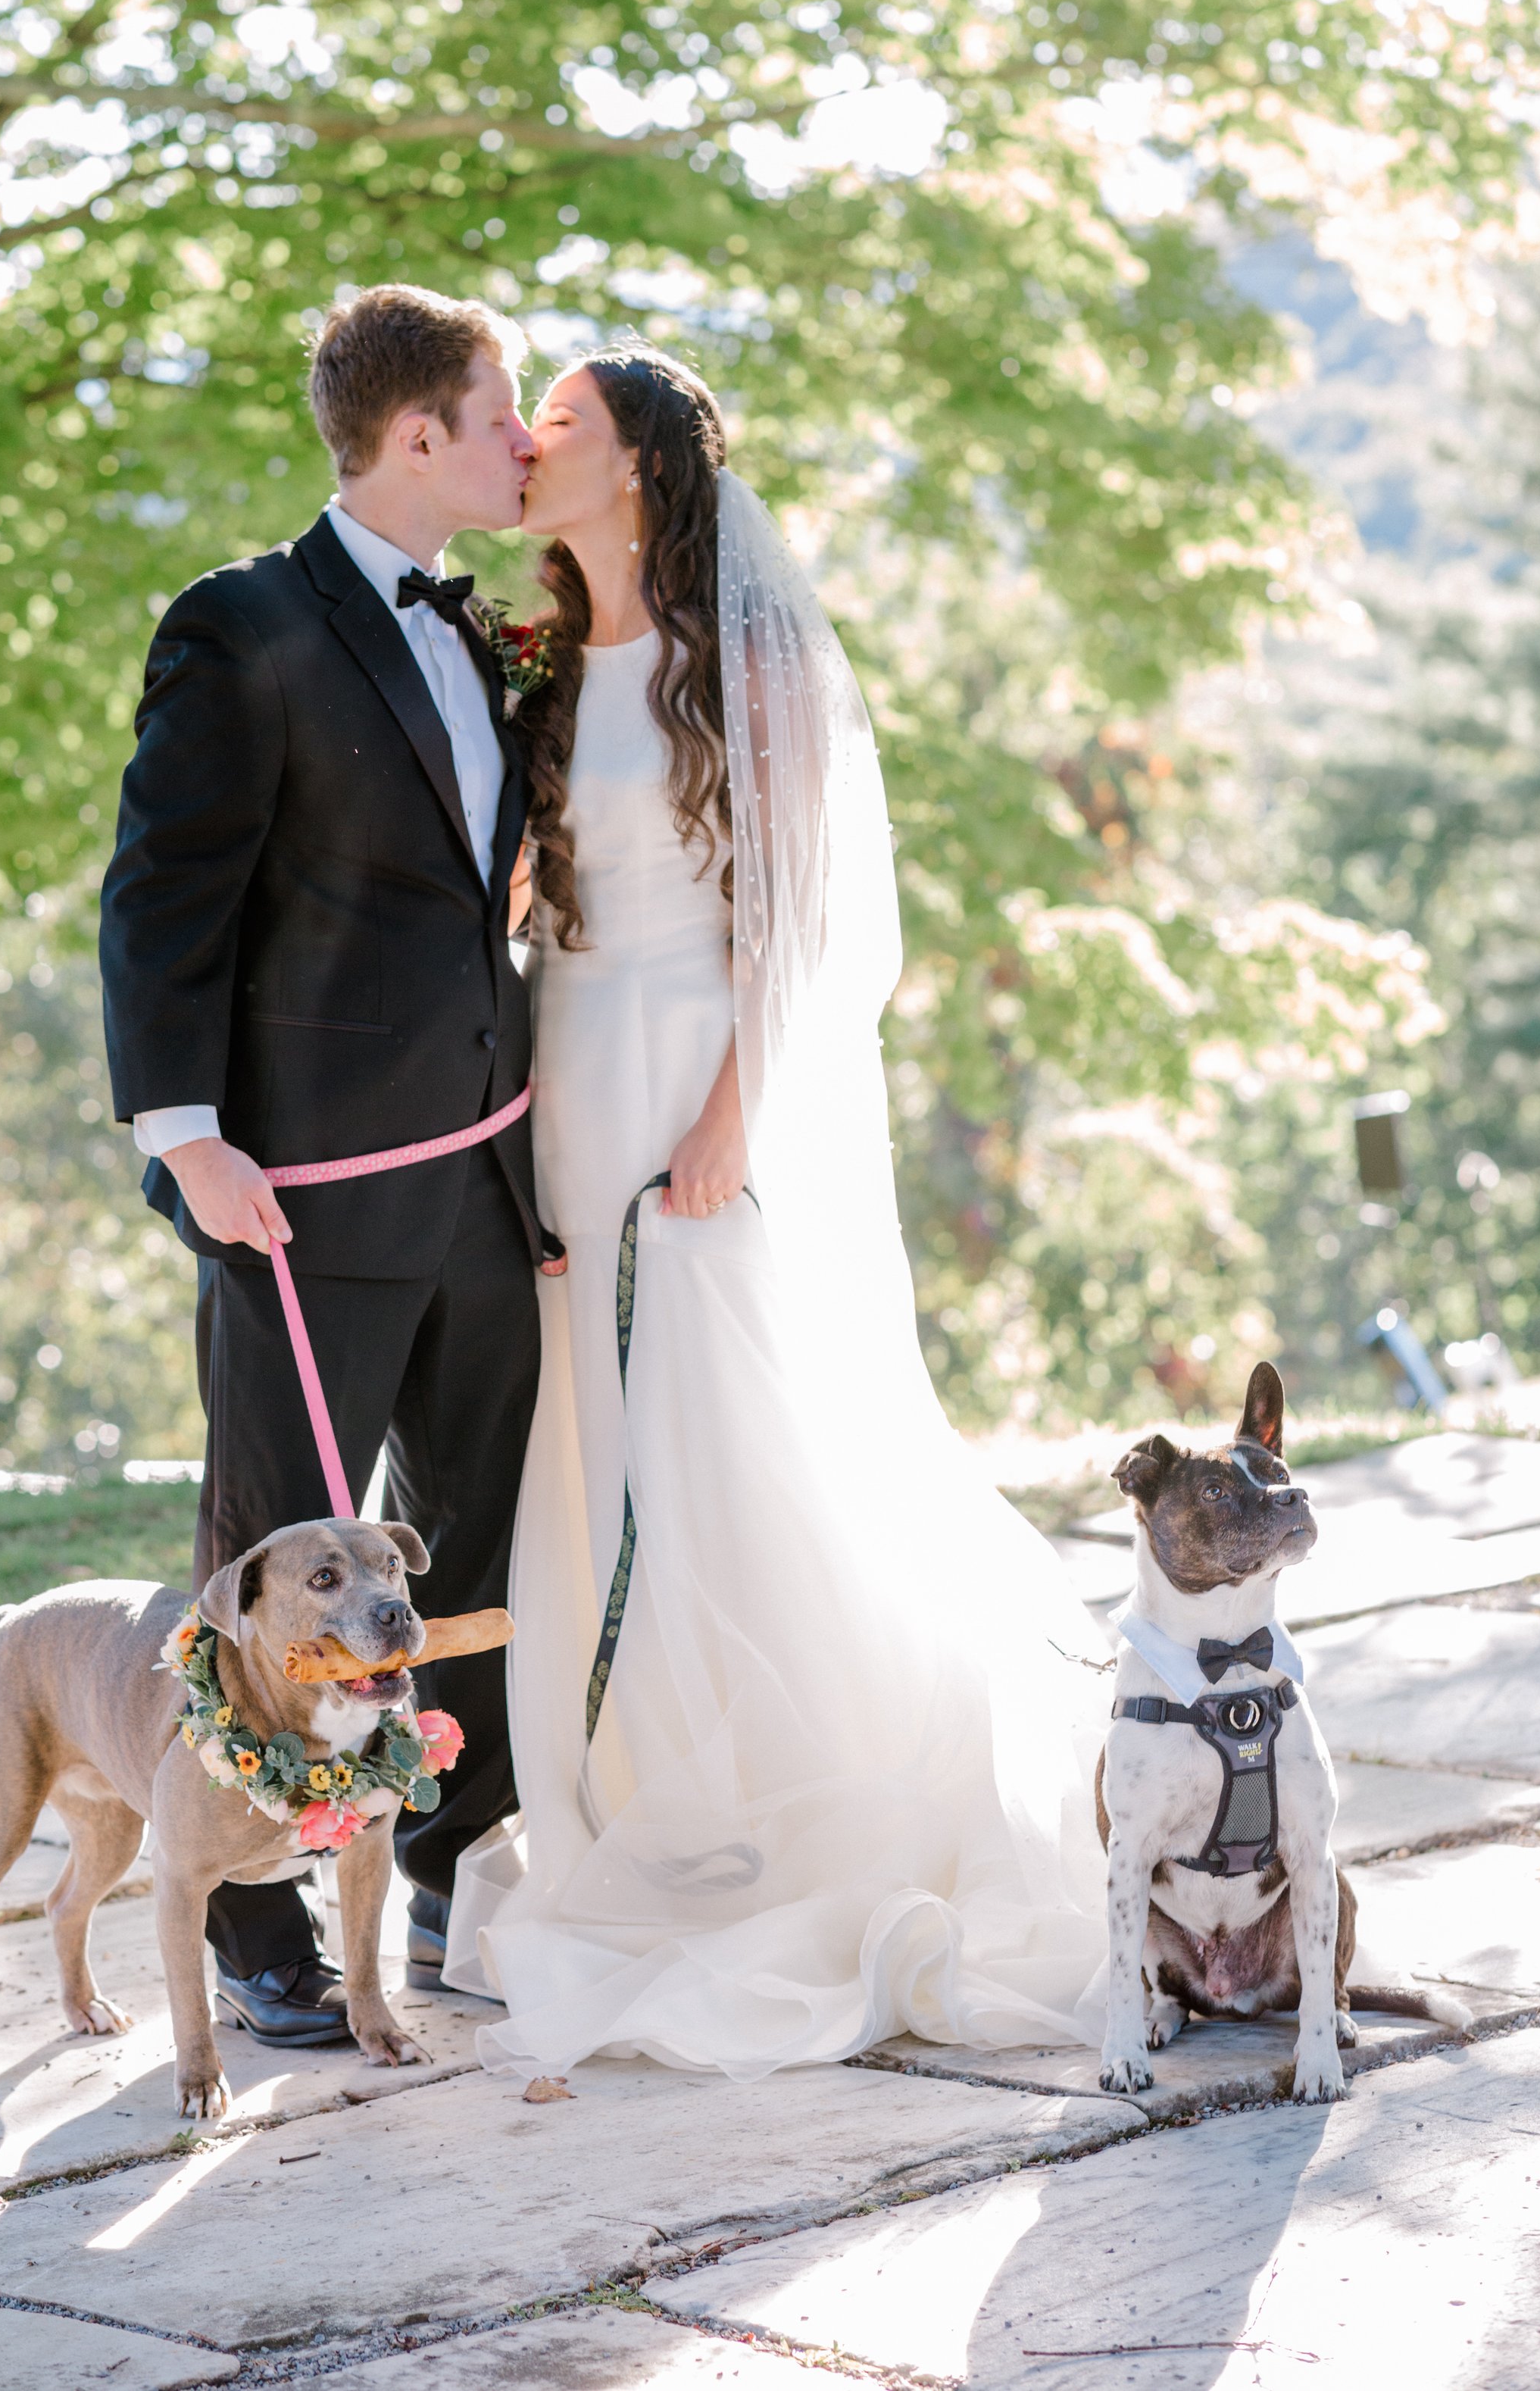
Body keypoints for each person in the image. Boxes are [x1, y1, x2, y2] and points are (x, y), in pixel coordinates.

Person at [445, 347, 1109, 2077]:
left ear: (644, 465)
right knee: (599, 1434)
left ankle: (793, 1796)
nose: (527, 445)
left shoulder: (744, 660)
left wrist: (735, 1112)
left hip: (697, 1082)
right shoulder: (533, 665)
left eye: (563, 426)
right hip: (568, 1086)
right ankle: (645, 1798)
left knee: (734, 1439)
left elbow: (810, 922)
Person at [98, 285, 558, 2046]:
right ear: (418, 433)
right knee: (270, 1552)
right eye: (502, 410)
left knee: (466, 1531)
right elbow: (164, 895)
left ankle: (448, 1858)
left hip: (486, 1178)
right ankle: (251, 1917)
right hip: (293, 1192)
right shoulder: (243, 625)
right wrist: (186, 1135)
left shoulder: (492, 635)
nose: (522, 440)